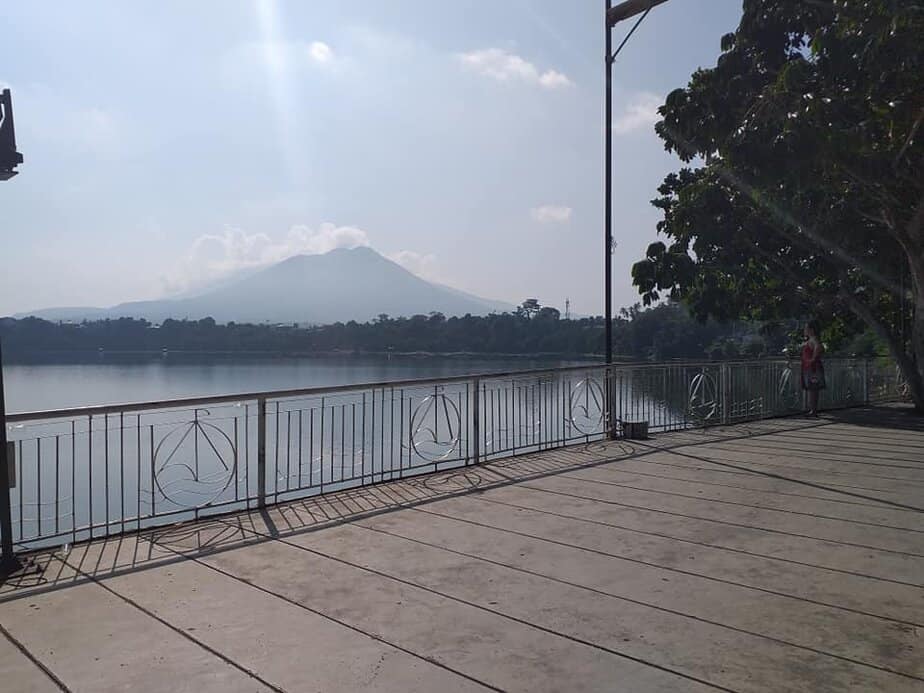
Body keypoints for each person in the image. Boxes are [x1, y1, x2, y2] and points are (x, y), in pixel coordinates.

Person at [801, 320, 825, 416]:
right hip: (811, 367)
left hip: (813, 368)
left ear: (811, 330)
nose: (804, 330)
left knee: (813, 388)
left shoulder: (813, 339)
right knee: (813, 388)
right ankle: (813, 410)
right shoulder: (811, 339)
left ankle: (813, 410)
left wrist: (813, 358)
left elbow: (819, 347)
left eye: (806, 328)